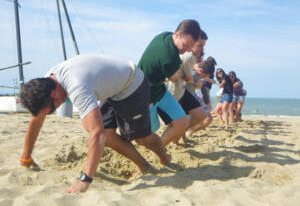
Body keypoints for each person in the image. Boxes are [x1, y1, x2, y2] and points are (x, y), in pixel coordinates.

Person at [19, 53, 171, 194]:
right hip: (110, 87)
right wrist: (26, 156)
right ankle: (145, 166)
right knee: (109, 136)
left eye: (49, 110)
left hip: (132, 84)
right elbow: (37, 119)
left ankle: (165, 157)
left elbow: (97, 134)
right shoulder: (47, 82)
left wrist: (85, 180)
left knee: (141, 138)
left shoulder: (76, 86)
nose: (47, 114)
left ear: (54, 94)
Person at [138, 19, 201, 146]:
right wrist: (178, 73)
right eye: (185, 45)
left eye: (190, 47)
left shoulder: (165, 35)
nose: (186, 50)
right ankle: (156, 146)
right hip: (145, 92)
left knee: (183, 122)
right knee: (150, 130)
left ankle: (159, 148)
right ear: (177, 34)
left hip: (160, 89)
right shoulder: (170, 58)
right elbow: (174, 77)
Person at [163, 29, 212, 143]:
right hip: (177, 91)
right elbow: (188, 78)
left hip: (181, 90)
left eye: (203, 46)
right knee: (184, 120)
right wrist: (198, 79)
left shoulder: (189, 56)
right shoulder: (189, 56)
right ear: (192, 41)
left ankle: (180, 136)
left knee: (195, 116)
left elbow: (184, 75)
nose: (202, 49)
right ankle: (175, 138)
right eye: (200, 45)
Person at [184, 60, 216, 137]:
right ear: (201, 70)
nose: (206, 77)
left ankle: (188, 132)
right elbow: (197, 84)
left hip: (192, 95)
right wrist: (199, 83)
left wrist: (204, 80)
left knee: (208, 118)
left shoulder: (196, 73)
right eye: (206, 75)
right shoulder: (193, 72)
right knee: (207, 117)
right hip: (186, 97)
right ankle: (184, 133)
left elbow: (199, 81)